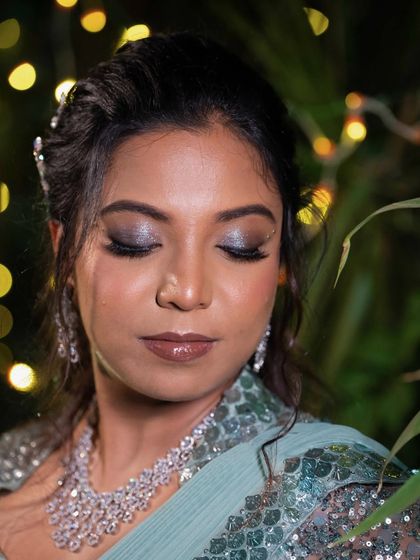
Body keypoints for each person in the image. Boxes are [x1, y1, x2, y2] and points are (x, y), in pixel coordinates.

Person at [0, 31, 417, 560]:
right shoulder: (10, 467)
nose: (188, 292)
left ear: (280, 260)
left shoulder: (349, 514)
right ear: (64, 250)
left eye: (239, 246)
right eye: (136, 241)